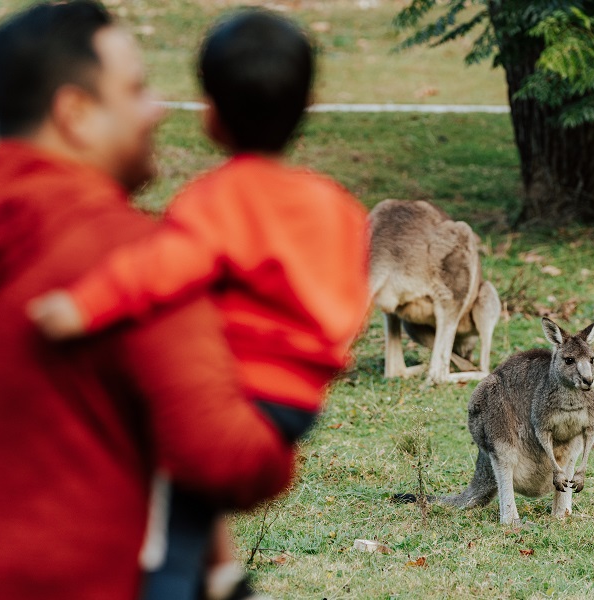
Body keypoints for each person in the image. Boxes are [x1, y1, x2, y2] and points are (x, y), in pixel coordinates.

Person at [0, 3, 293, 599]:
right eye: (137, 90)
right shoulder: (129, 258)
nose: (157, 110)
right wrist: (293, 390)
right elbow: (227, 462)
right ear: (75, 113)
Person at [26, 8, 370, 600]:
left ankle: (187, 581)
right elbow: (348, 300)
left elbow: (159, 271)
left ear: (209, 114)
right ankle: (223, 577)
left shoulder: (212, 203)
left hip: (234, 393)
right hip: (300, 402)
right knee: (192, 495)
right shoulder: (336, 207)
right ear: (307, 106)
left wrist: (79, 309)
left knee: (163, 520)